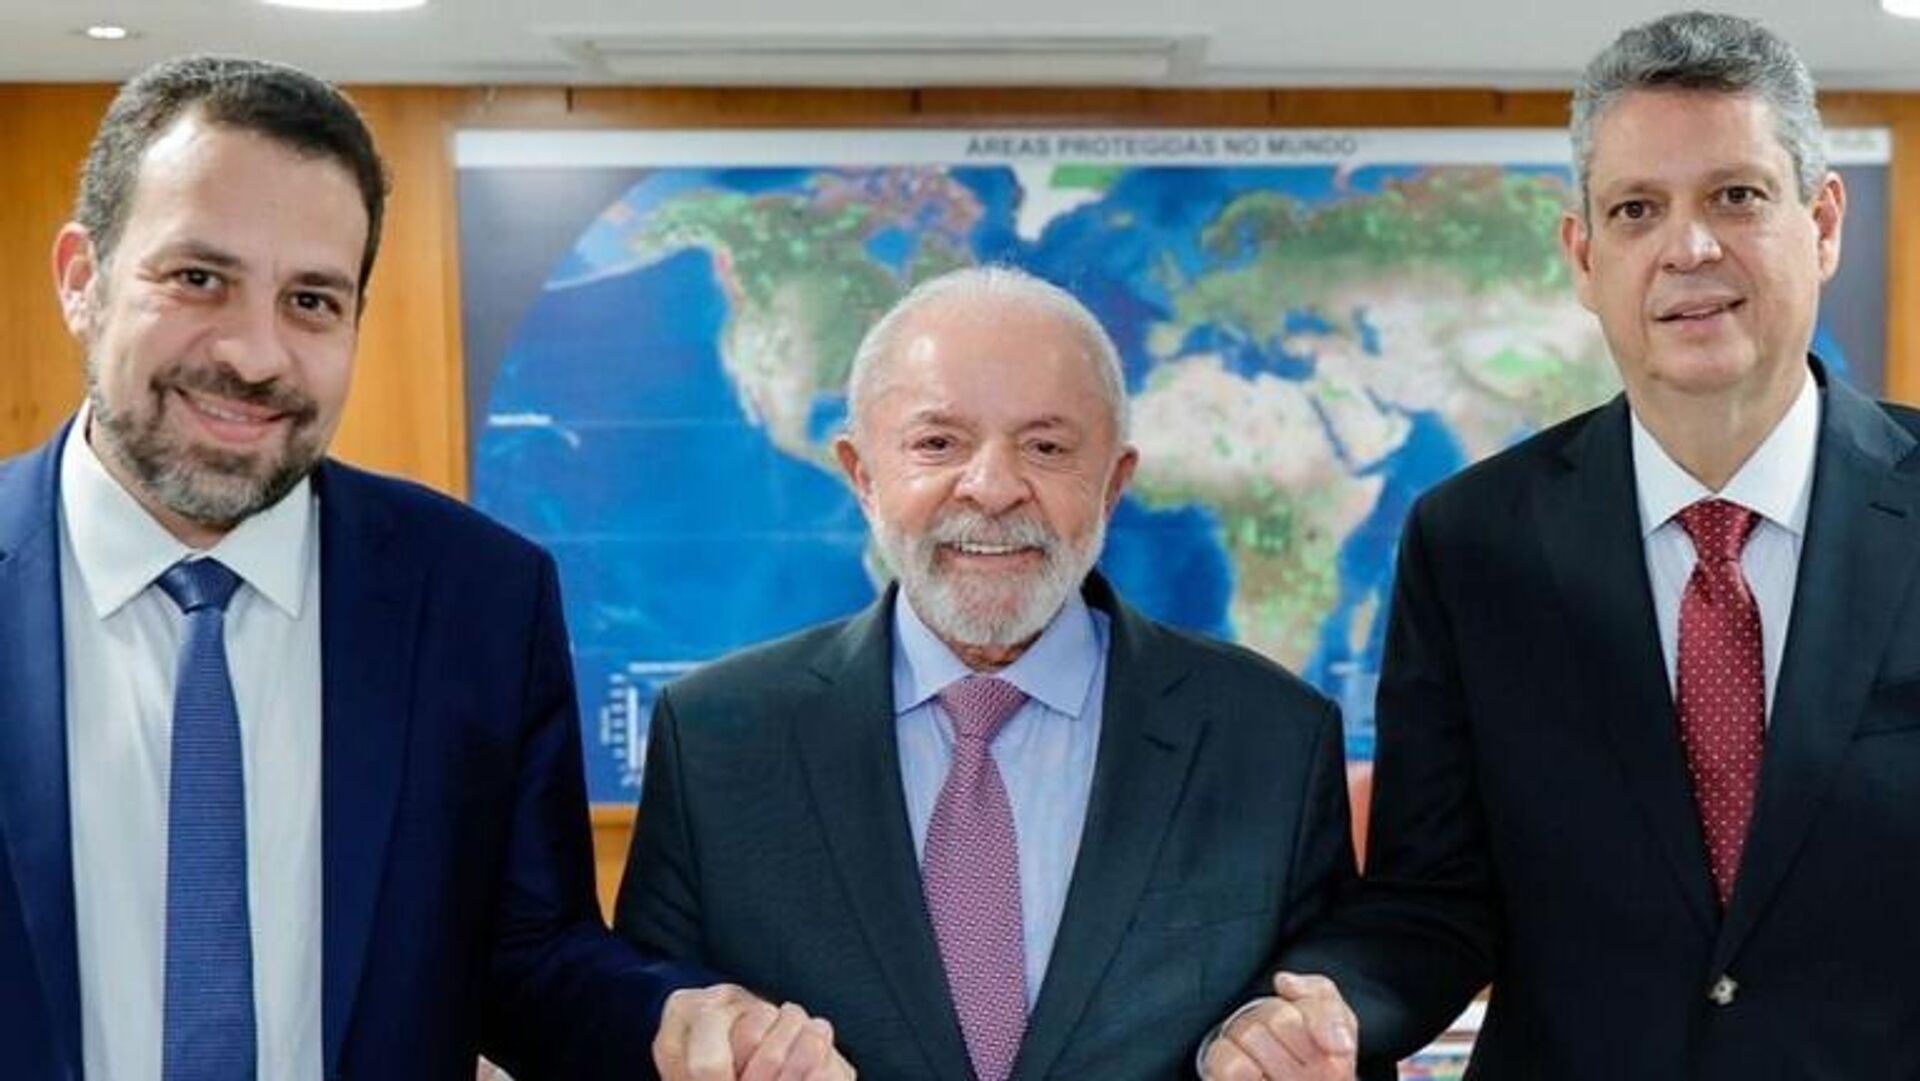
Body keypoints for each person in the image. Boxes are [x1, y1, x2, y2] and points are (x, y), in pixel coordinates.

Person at [0, 54, 846, 1081]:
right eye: (198, 278)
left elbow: (530, 963)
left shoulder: (479, 601)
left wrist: (674, 1020)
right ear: (81, 279)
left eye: (312, 300)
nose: (255, 354)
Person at [1202, 10, 1920, 1079]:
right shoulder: (1472, 543)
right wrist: (1319, 1017)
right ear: (1585, 256)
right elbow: (1430, 902)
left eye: (1736, 195)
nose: (1689, 248)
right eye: (1638, 209)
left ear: (1821, 223)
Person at [612, 264, 1360, 1080]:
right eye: (938, 443)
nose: (994, 489)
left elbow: (1328, 1039)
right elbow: (646, 1038)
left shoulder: (1274, 738)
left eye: (1047, 447)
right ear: (862, 475)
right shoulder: (714, 739)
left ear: (1113, 484)